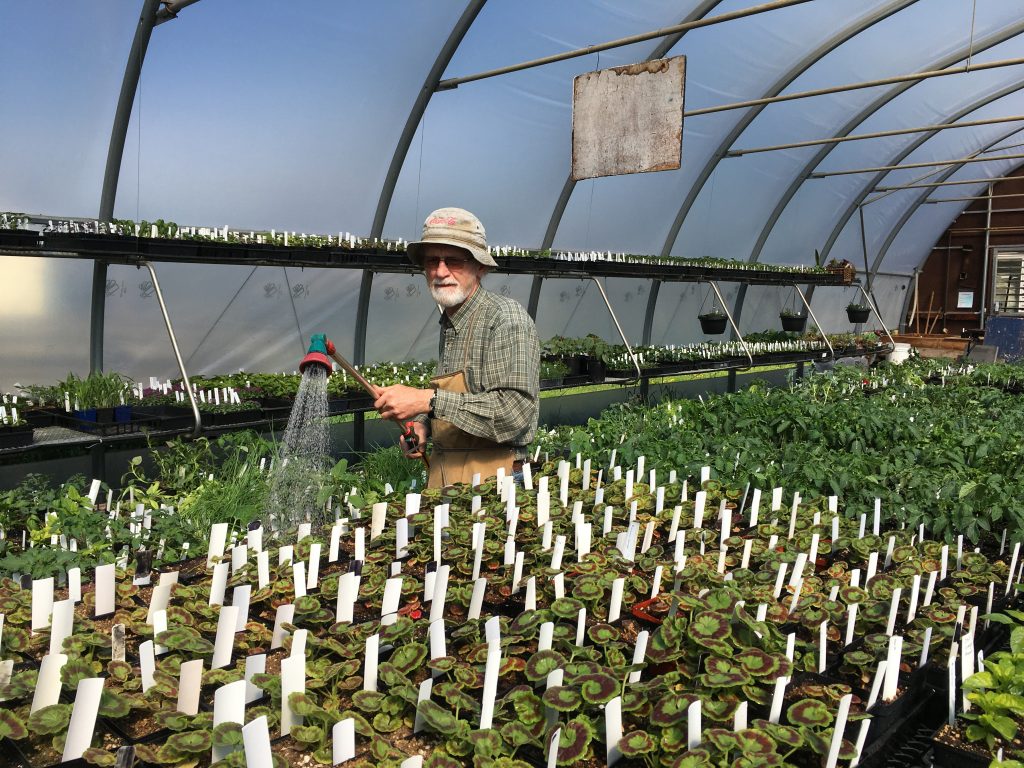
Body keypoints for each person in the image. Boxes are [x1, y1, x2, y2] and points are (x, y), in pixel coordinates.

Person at [373, 207, 540, 487]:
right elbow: (463, 402)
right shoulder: (451, 322)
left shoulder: (504, 318)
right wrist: (424, 426)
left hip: (495, 481)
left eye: (454, 260)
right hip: (446, 477)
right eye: (432, 261)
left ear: (480, 266)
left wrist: (427, 400)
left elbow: (515, 414)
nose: (440, 271)